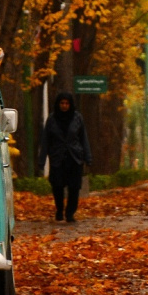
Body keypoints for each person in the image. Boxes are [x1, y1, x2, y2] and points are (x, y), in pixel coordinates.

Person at [39, 91, 92, 223]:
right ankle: (59, 209)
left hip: (74, 157)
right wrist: (42, 160)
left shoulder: (77, 118)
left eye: (67, 103)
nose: (64, 106)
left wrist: (87, 157)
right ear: (58, 104)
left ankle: (70, 213)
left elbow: (83, 138)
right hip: (58, 158)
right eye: (62, 103)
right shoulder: (52, 119)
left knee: (74, 187)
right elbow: (46, 140)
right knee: (57, 186)